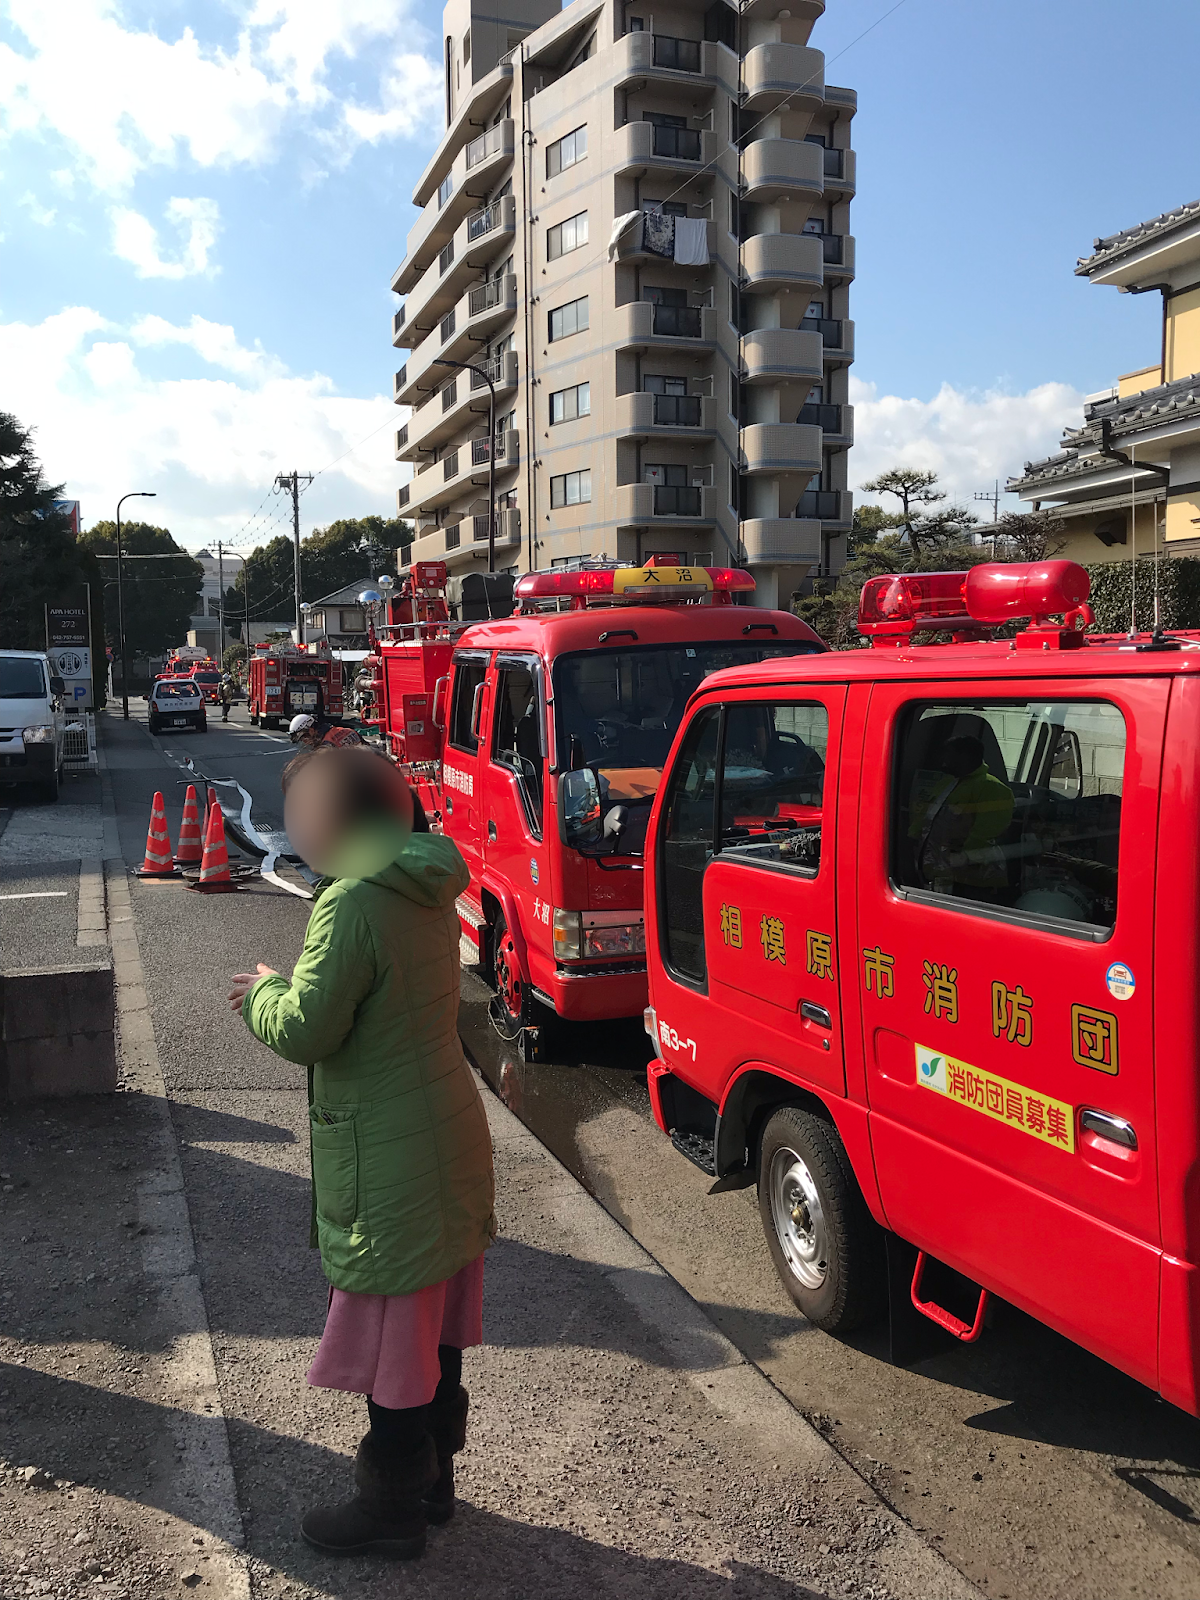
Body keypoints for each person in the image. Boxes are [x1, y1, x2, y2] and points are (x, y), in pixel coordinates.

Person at [228, 745, 495, 1559]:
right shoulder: (426, 878)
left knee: (393, 1345)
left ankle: (390, 1510)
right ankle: (435, 1484)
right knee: (435, 1332)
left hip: (388, 1155)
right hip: (445, 1130)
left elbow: (308, 1029)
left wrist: (262, 991)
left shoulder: (350, 901)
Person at [910, 735, 1014, 898]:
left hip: (972, 880)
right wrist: (912, 837)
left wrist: (964, 860)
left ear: (965, 756)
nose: (944, 760)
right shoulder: (947, 783)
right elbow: (927, 815)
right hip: (938, 873)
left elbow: (987, 833)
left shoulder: (992, 787)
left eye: (949, 754)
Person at [289, 711, 364, 749]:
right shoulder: (347, 730)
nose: (305, 742)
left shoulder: (325, 746)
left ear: (311, 731)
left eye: (304, 739)